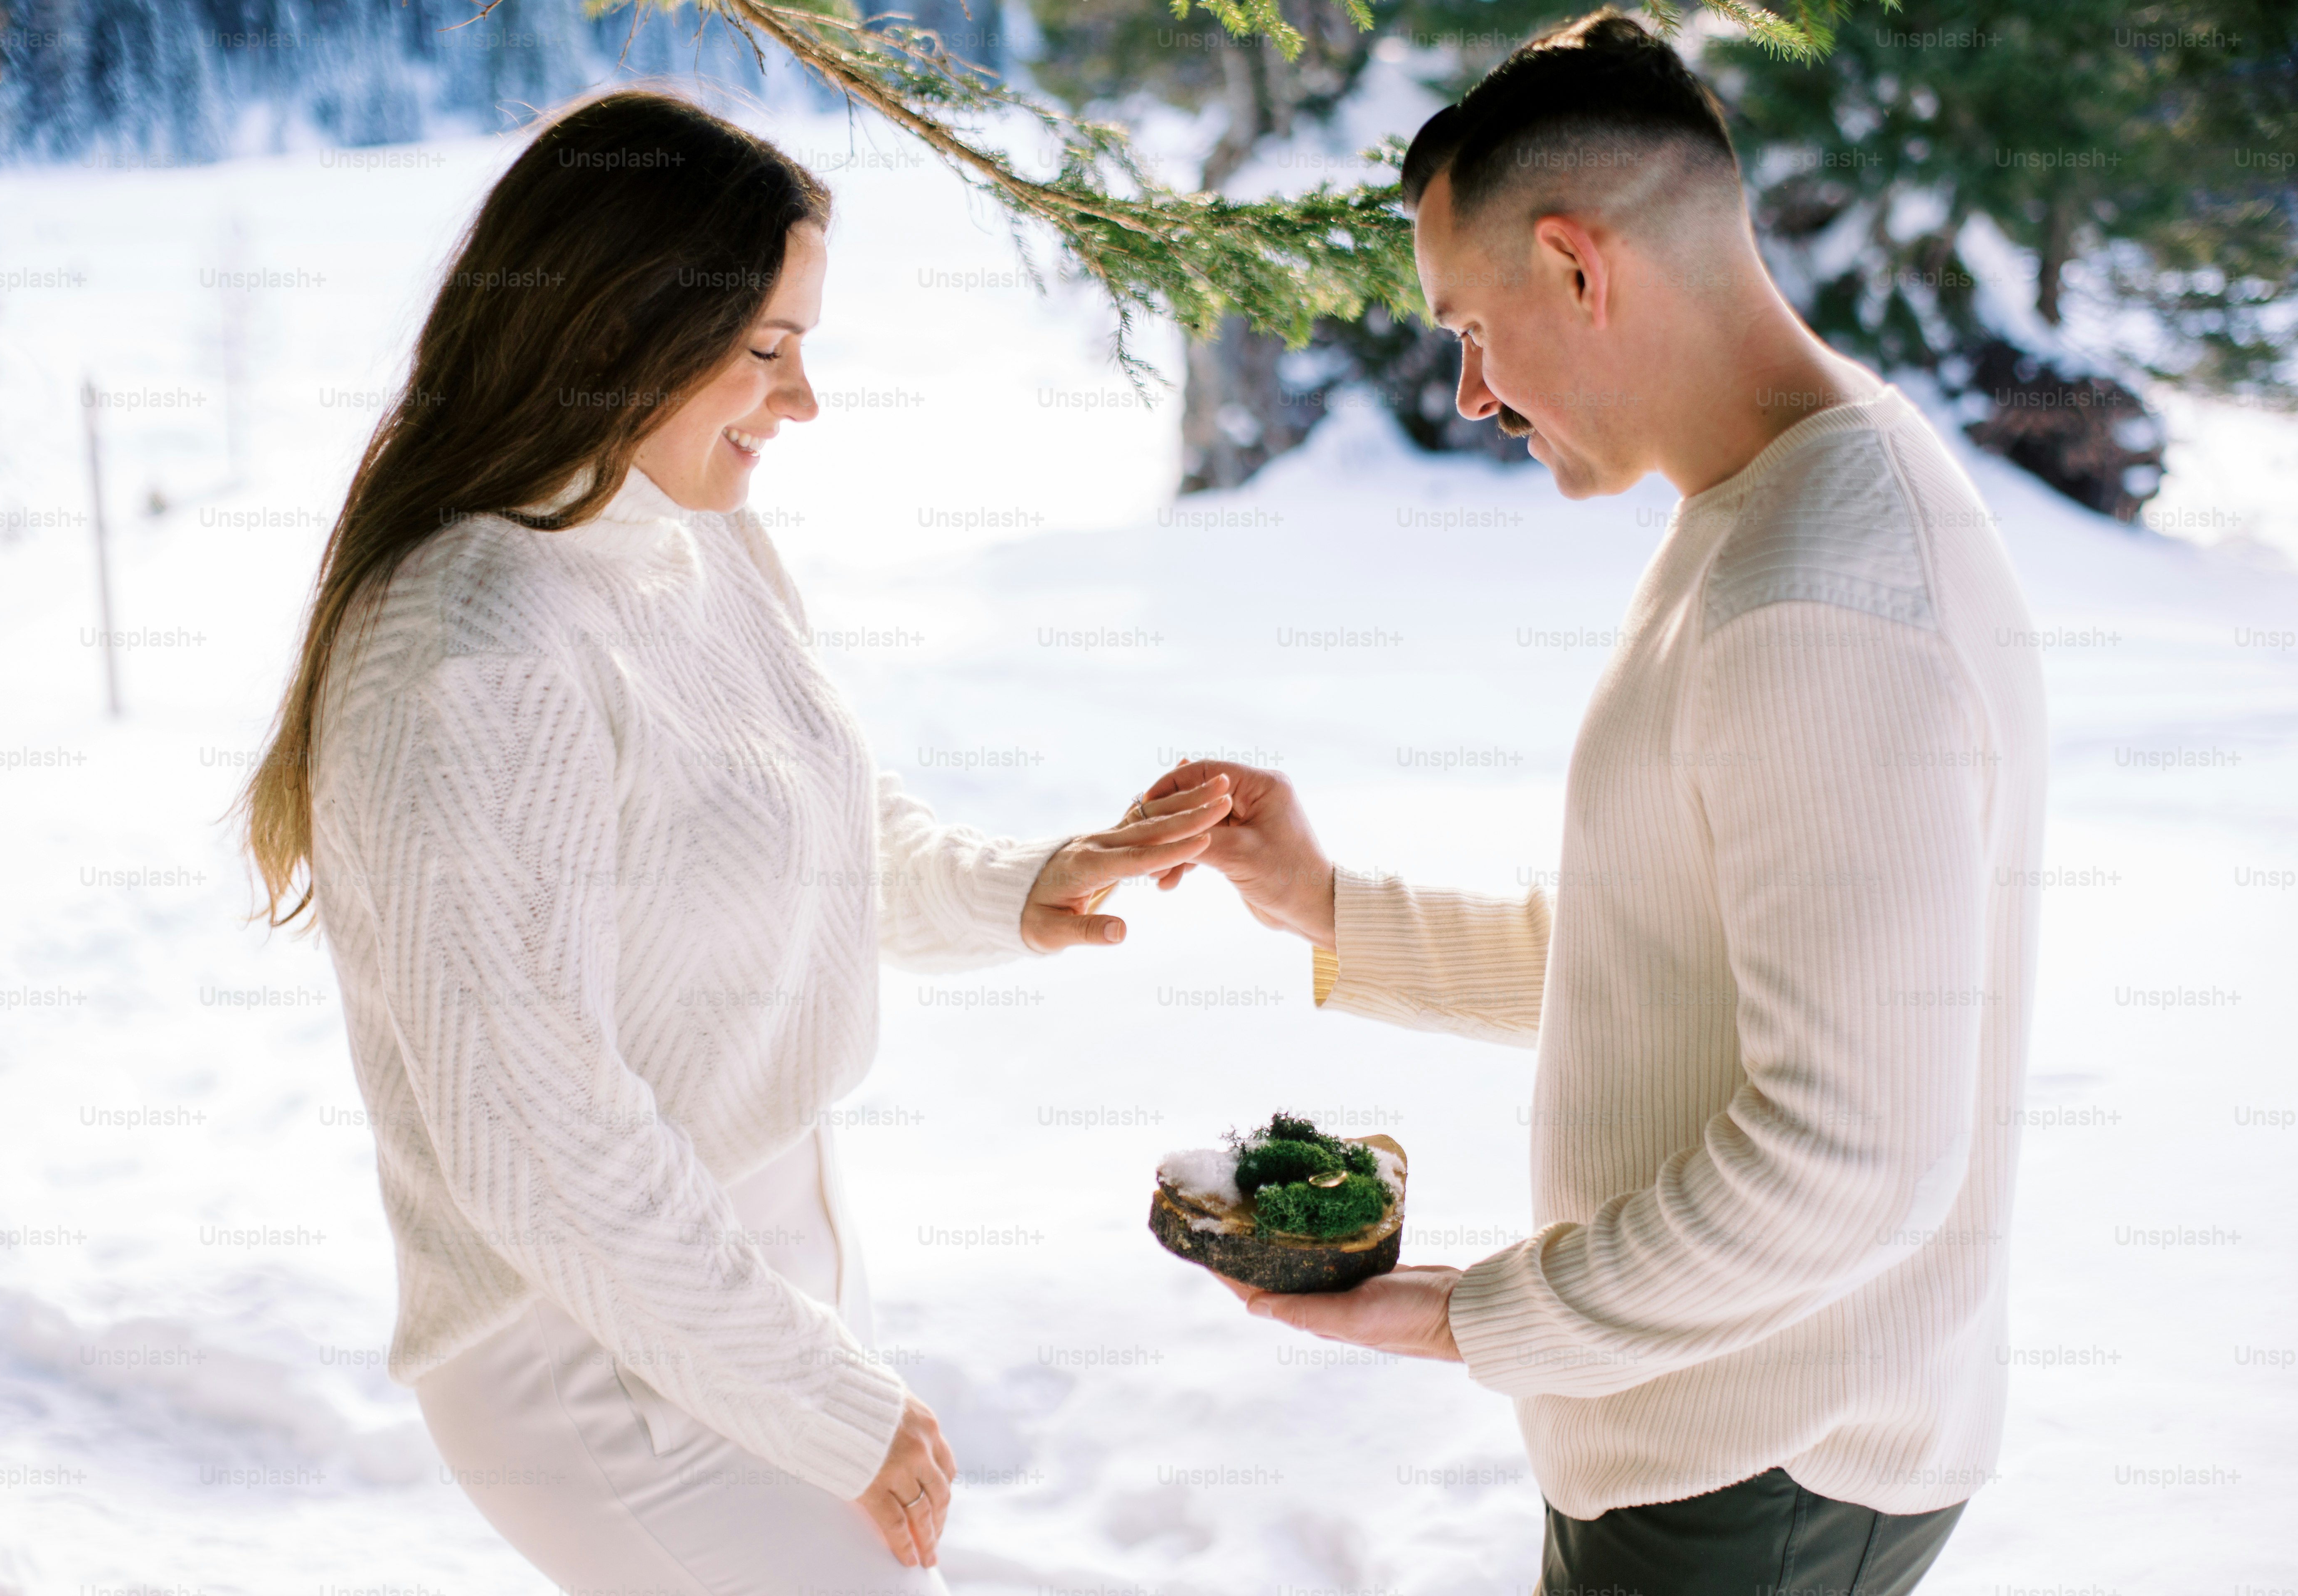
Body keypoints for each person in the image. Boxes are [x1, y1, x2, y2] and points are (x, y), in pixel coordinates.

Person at [234, 91, 1232, 1594]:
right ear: (613, 326)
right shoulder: (478, 649)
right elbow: (539, 1134)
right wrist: (828, 1404)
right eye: (767, 349)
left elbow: (800, 817)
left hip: (753, 1279)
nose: (804, 400)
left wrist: (1020, 885)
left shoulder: (688, 533)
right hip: (595, 1353)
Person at [1142, 12, 2047, 1596]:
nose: (1475, 392)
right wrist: (1327, 909)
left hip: (1758, 1467)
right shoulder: (1780, 505)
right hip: (1717, 1442)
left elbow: (1853, 1162)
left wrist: (1469, 1318)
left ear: (1577, 265)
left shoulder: (1816, 599)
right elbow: (1671, 953)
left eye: (1471, 327)